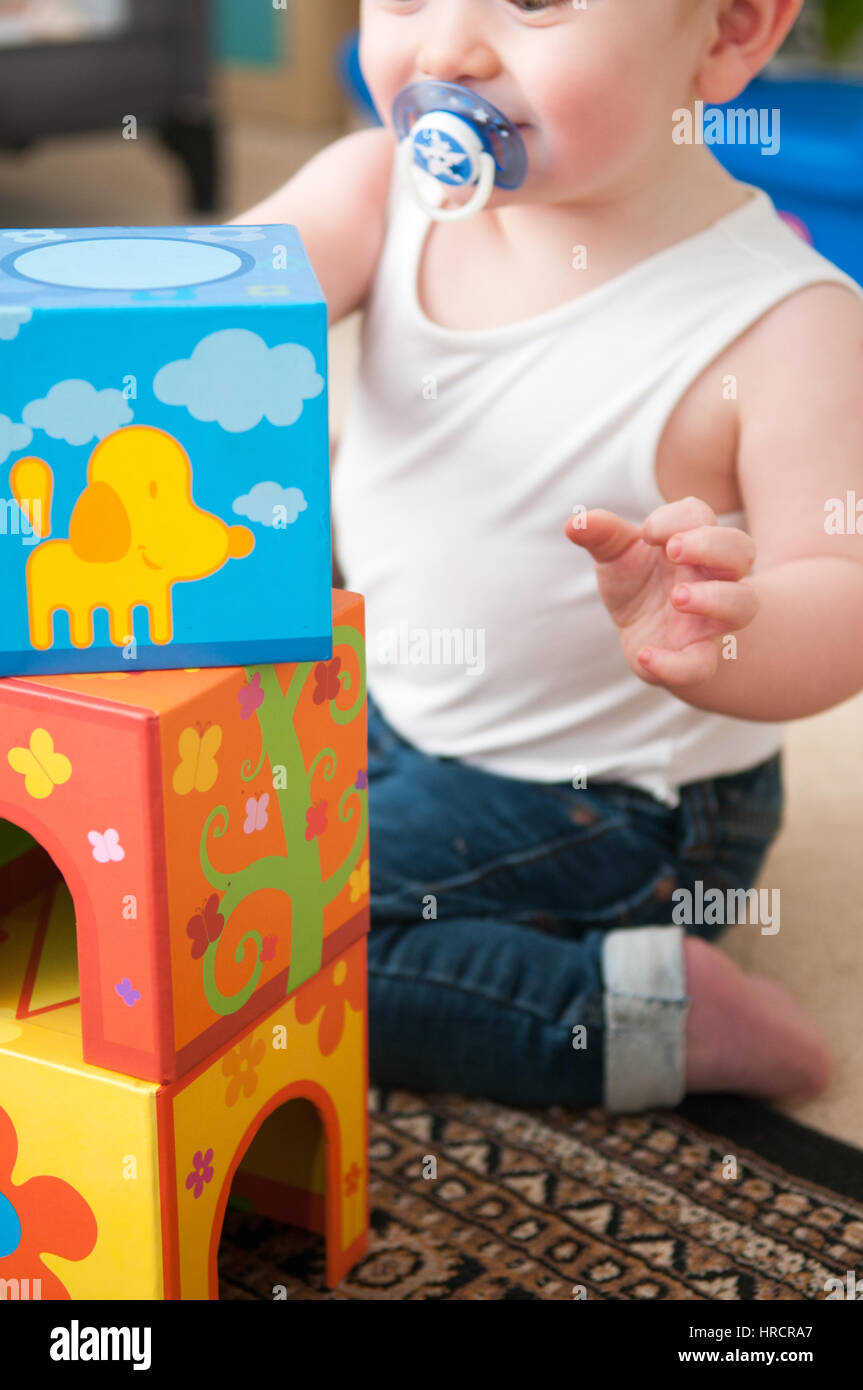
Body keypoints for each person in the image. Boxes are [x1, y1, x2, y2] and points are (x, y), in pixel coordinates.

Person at [233, 0, 863, 1111]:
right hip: (387, 710)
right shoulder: (376, 187)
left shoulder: (783, 324)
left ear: (726, 31)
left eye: (529, 2)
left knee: (247, 943)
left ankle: (638, 1011)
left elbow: (842, 588)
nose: (446, 51)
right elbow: (212, 306)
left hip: (618, 805)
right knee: (162, 851)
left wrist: (724, 630)